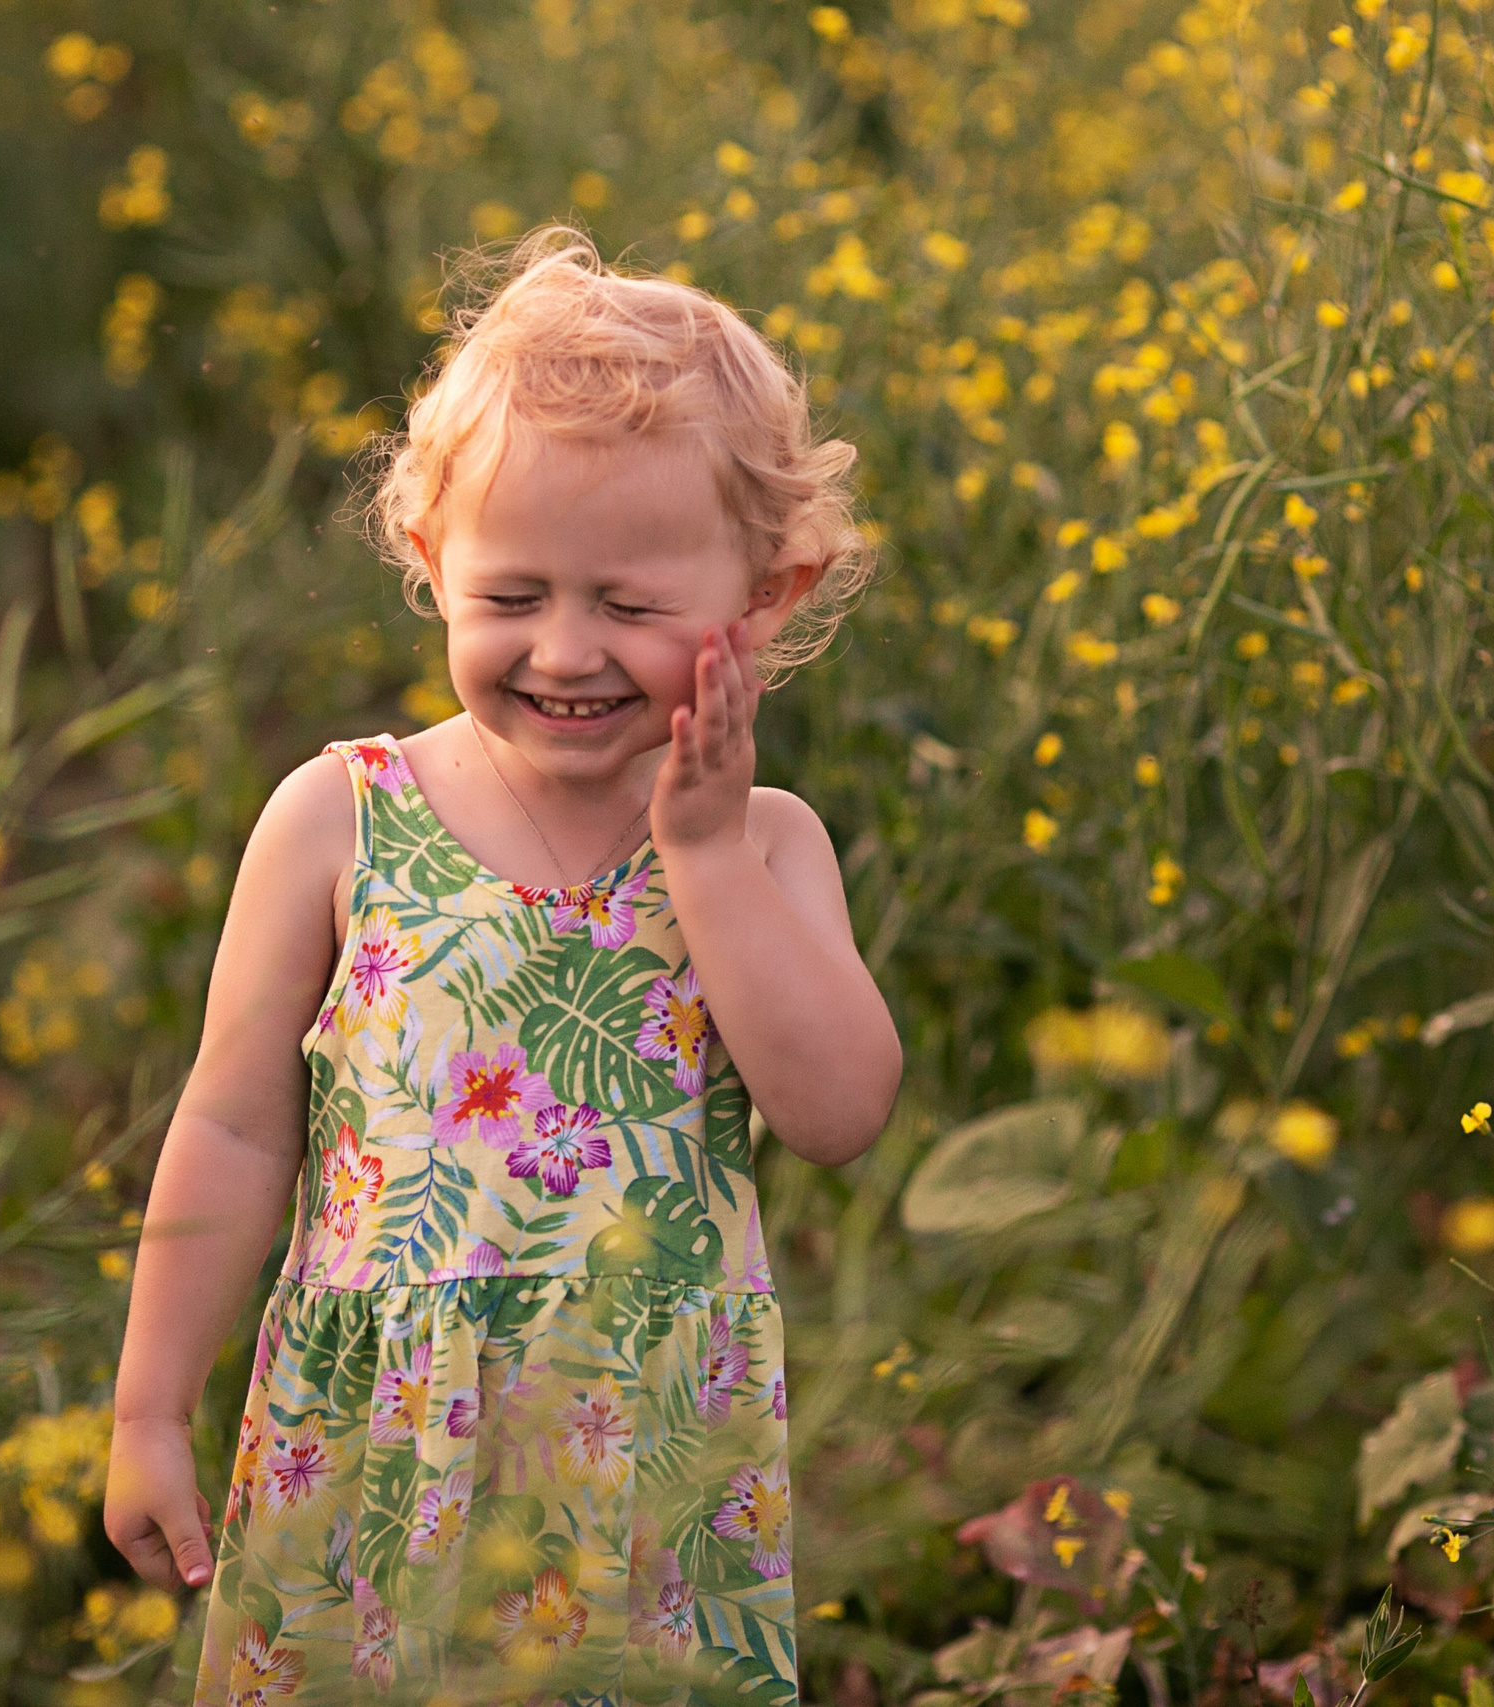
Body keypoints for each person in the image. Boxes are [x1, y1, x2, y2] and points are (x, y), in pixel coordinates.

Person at [102, 224, 903, 1705]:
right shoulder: (339, 817)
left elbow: (840, 1110)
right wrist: (153, 1405)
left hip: (639, 1470)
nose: (567, 650)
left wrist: (709, 856)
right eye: (514, 596)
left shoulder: (765, 849)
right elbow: (227, 1123)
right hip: (370, 1449)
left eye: (634, 606)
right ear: (430, 561)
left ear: (767, 597)